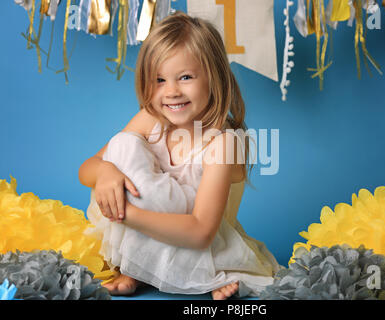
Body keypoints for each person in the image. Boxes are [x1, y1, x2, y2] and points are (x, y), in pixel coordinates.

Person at [78, 11, 280, 300]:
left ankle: (207, 273)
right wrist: (105, 172)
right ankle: (136, 268)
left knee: (202, 250)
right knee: (121, 146)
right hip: (144, 228)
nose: (171, 91)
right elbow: (86, 168)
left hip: (192, 239)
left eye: (185, 77)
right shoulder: (150, 118)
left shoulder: (221, 143)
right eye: (159, 80)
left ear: (214, 77)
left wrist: (126, 215)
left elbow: (200, 232)